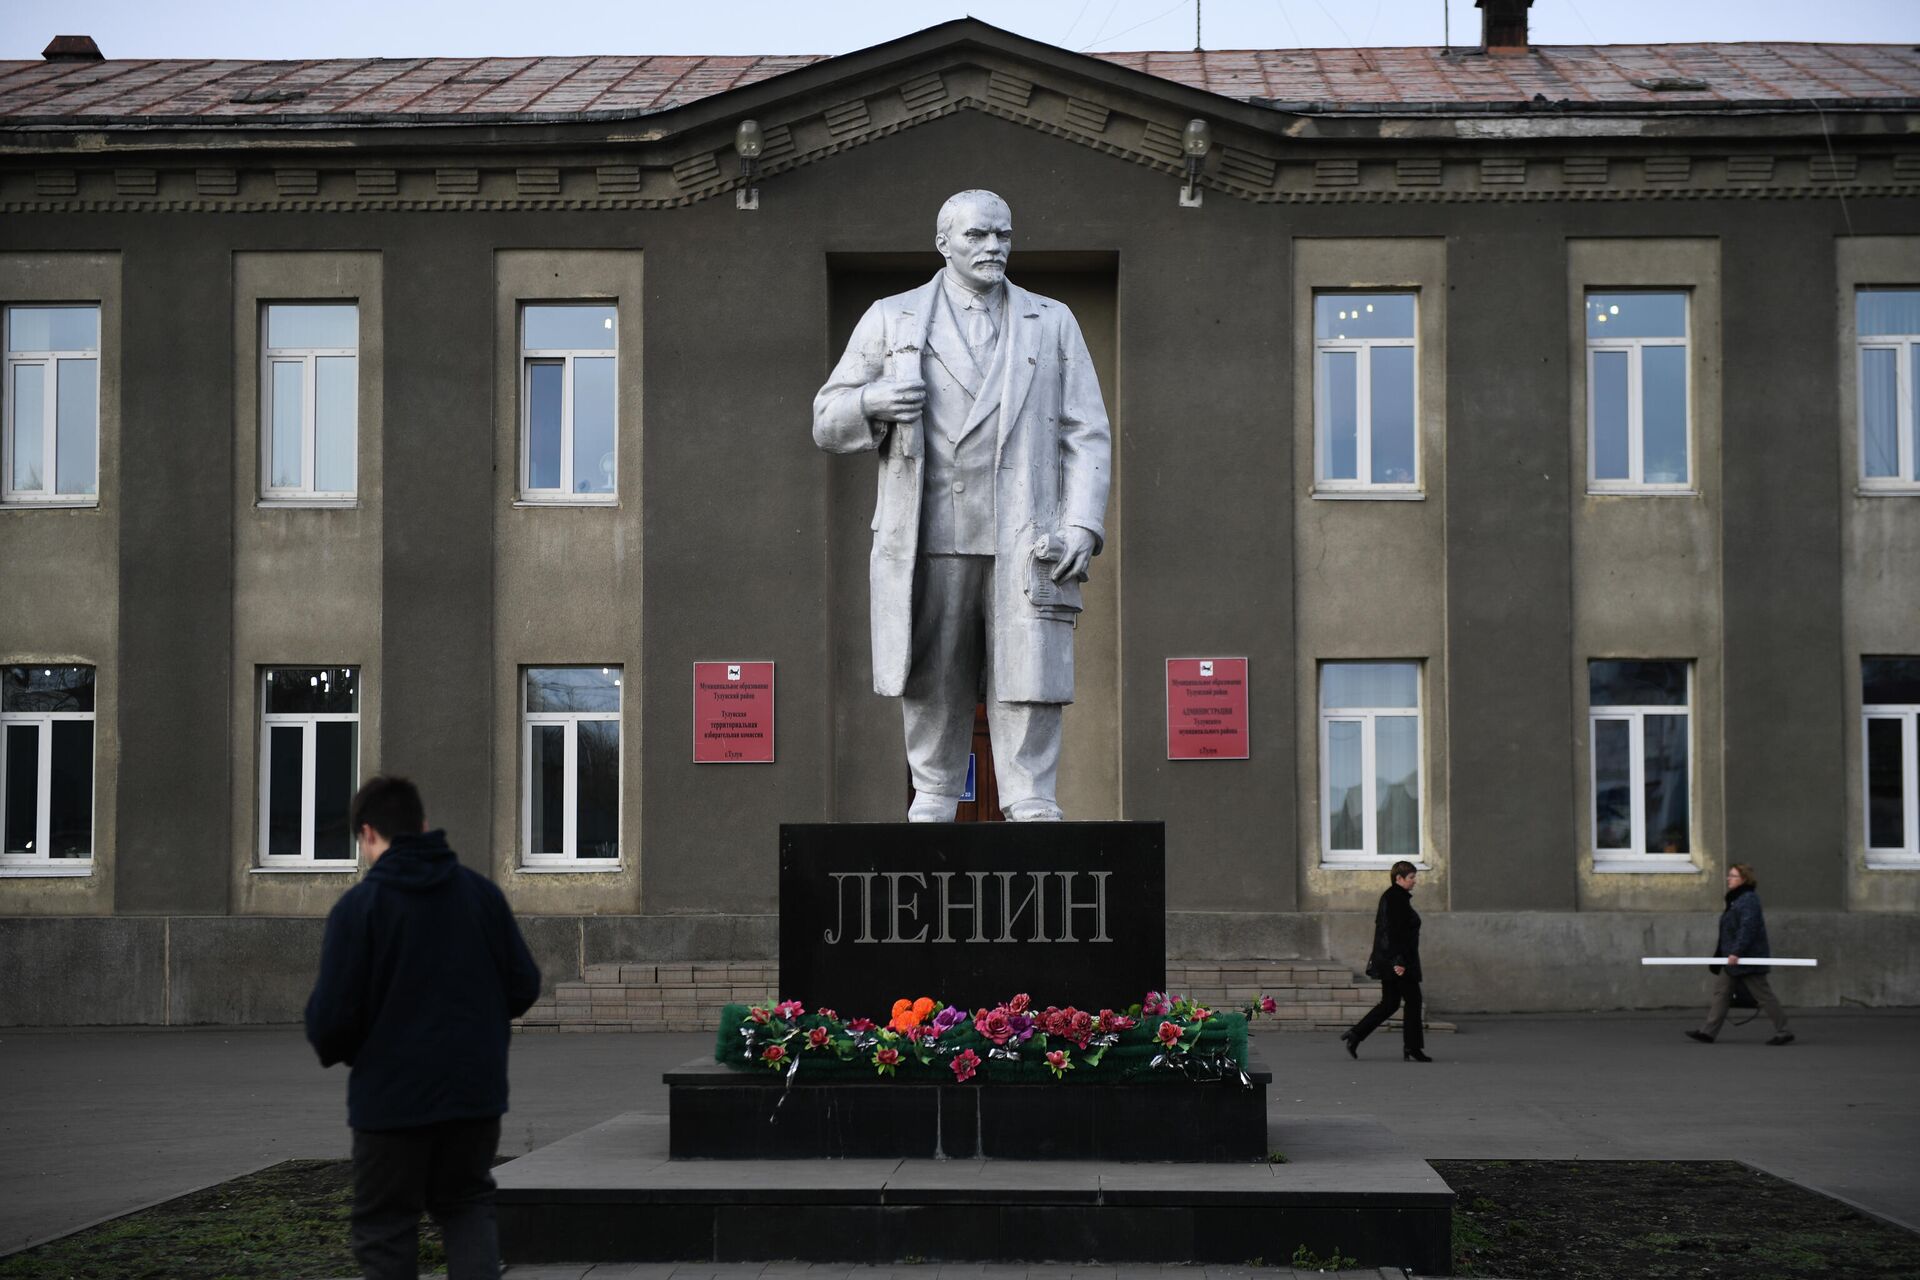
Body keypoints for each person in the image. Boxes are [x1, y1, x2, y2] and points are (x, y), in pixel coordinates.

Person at [813, 189, 1112, 822]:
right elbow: (825, 419)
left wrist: (1083, 522)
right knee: (932, 674)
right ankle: (934, 796)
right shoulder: (892, 319)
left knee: (1029, 676)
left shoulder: (1051, 320)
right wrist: (872, 403)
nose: (994, 247)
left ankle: (1031, 799)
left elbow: (1086, 430)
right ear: (944, 243)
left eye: (1003, 235)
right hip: (931, 534)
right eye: (977, 235)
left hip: (1024, 535)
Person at [305, 776, 542, 1280]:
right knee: (467, 1206)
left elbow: (330, 1022)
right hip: (473, 1096)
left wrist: (359, 1049)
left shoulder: (359, 909)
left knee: (386, 1227)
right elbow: (523, 986)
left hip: (391, 1103)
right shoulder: (481, 896)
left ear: (368, 834)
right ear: (424, 826)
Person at [1686, 862, 1794, 1046]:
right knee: (1721, 993)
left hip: (1746, 959)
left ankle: (1784, 1031)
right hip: (1732, 959)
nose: (1728, 879)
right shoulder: (1736, 899)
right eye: (1729, 875)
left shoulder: (1748, 899)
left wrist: (1736, 952)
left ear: (1743, 879)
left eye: (1733, 876)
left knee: (1764, 996)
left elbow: (1748, 928)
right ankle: (1708, 1032)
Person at [1340, 861, 1431, 1062]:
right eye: (1411, 877)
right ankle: (1413, 1048)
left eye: (1414, 877)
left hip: (1391, 960)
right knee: (1413, 1001)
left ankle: (1355, 1035)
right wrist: (1399, 962)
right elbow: (1392, 932)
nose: (1414, 881)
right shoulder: (1395, 898)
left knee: (1390, 1003)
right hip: (1398, 962)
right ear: (1399, 878)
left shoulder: (1395, 897)